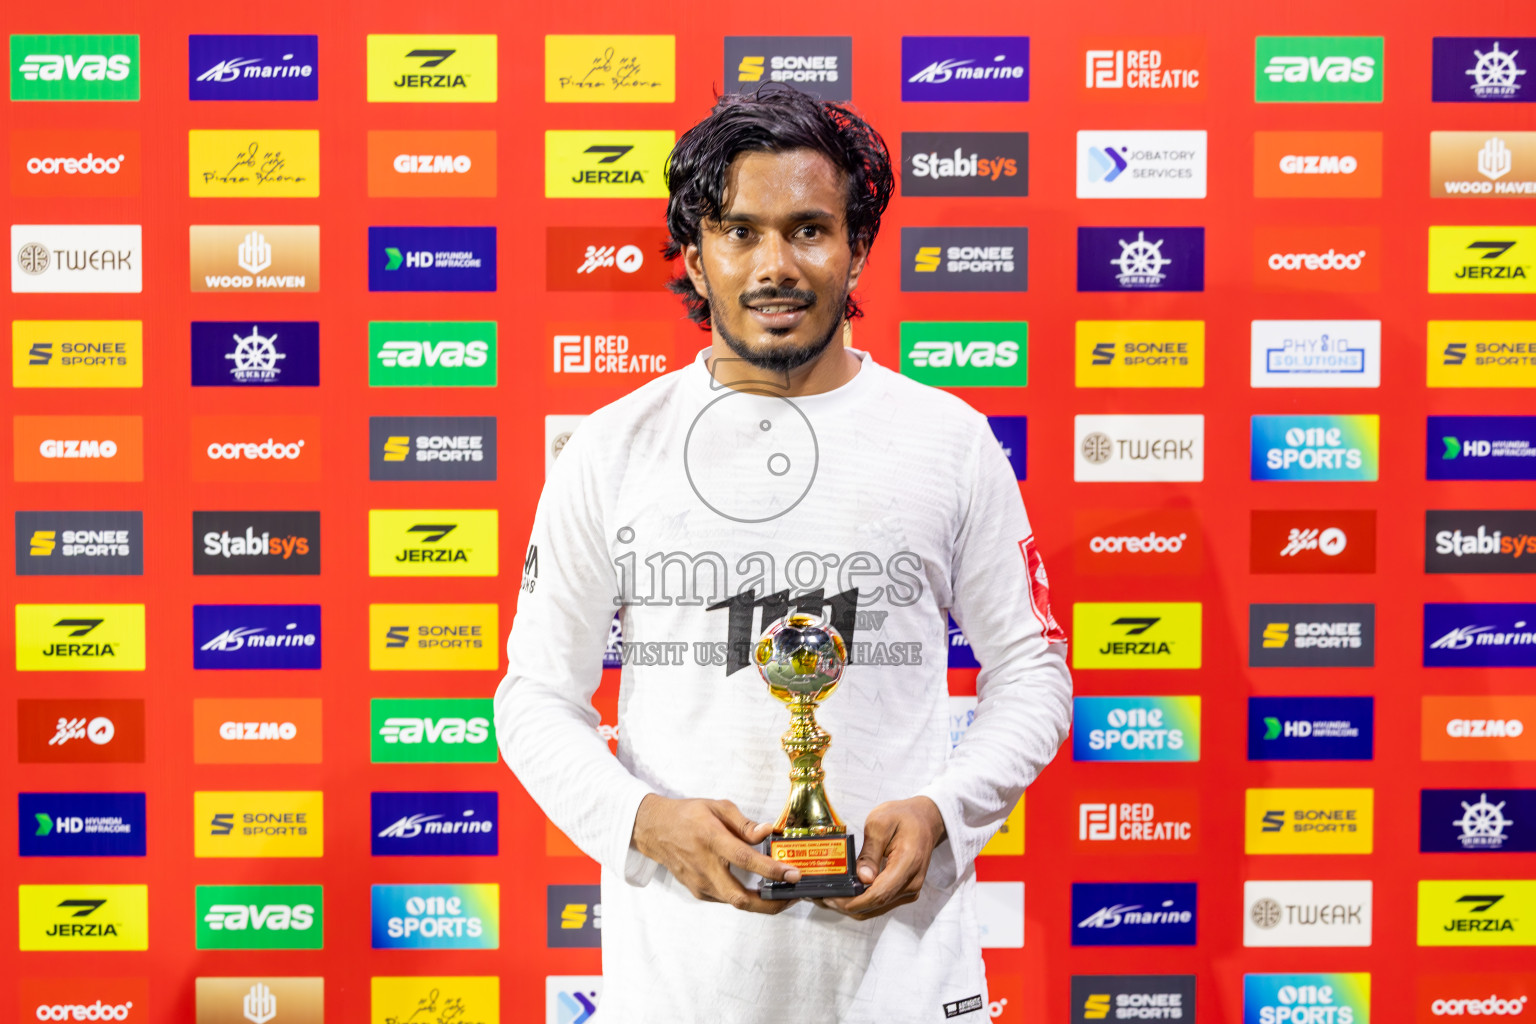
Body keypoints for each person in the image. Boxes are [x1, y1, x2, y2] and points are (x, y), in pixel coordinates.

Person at [496, 85, 1072, 1022]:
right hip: (684, 988)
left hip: (904, 984)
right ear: (695, 253)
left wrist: (943, 814)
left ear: (858, 249)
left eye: (808, 229)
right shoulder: (611, 449)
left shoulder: (949, 441)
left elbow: (1034, 669)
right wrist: (645, 824)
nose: (775, 266)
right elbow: (533, 697)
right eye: (739, 231)